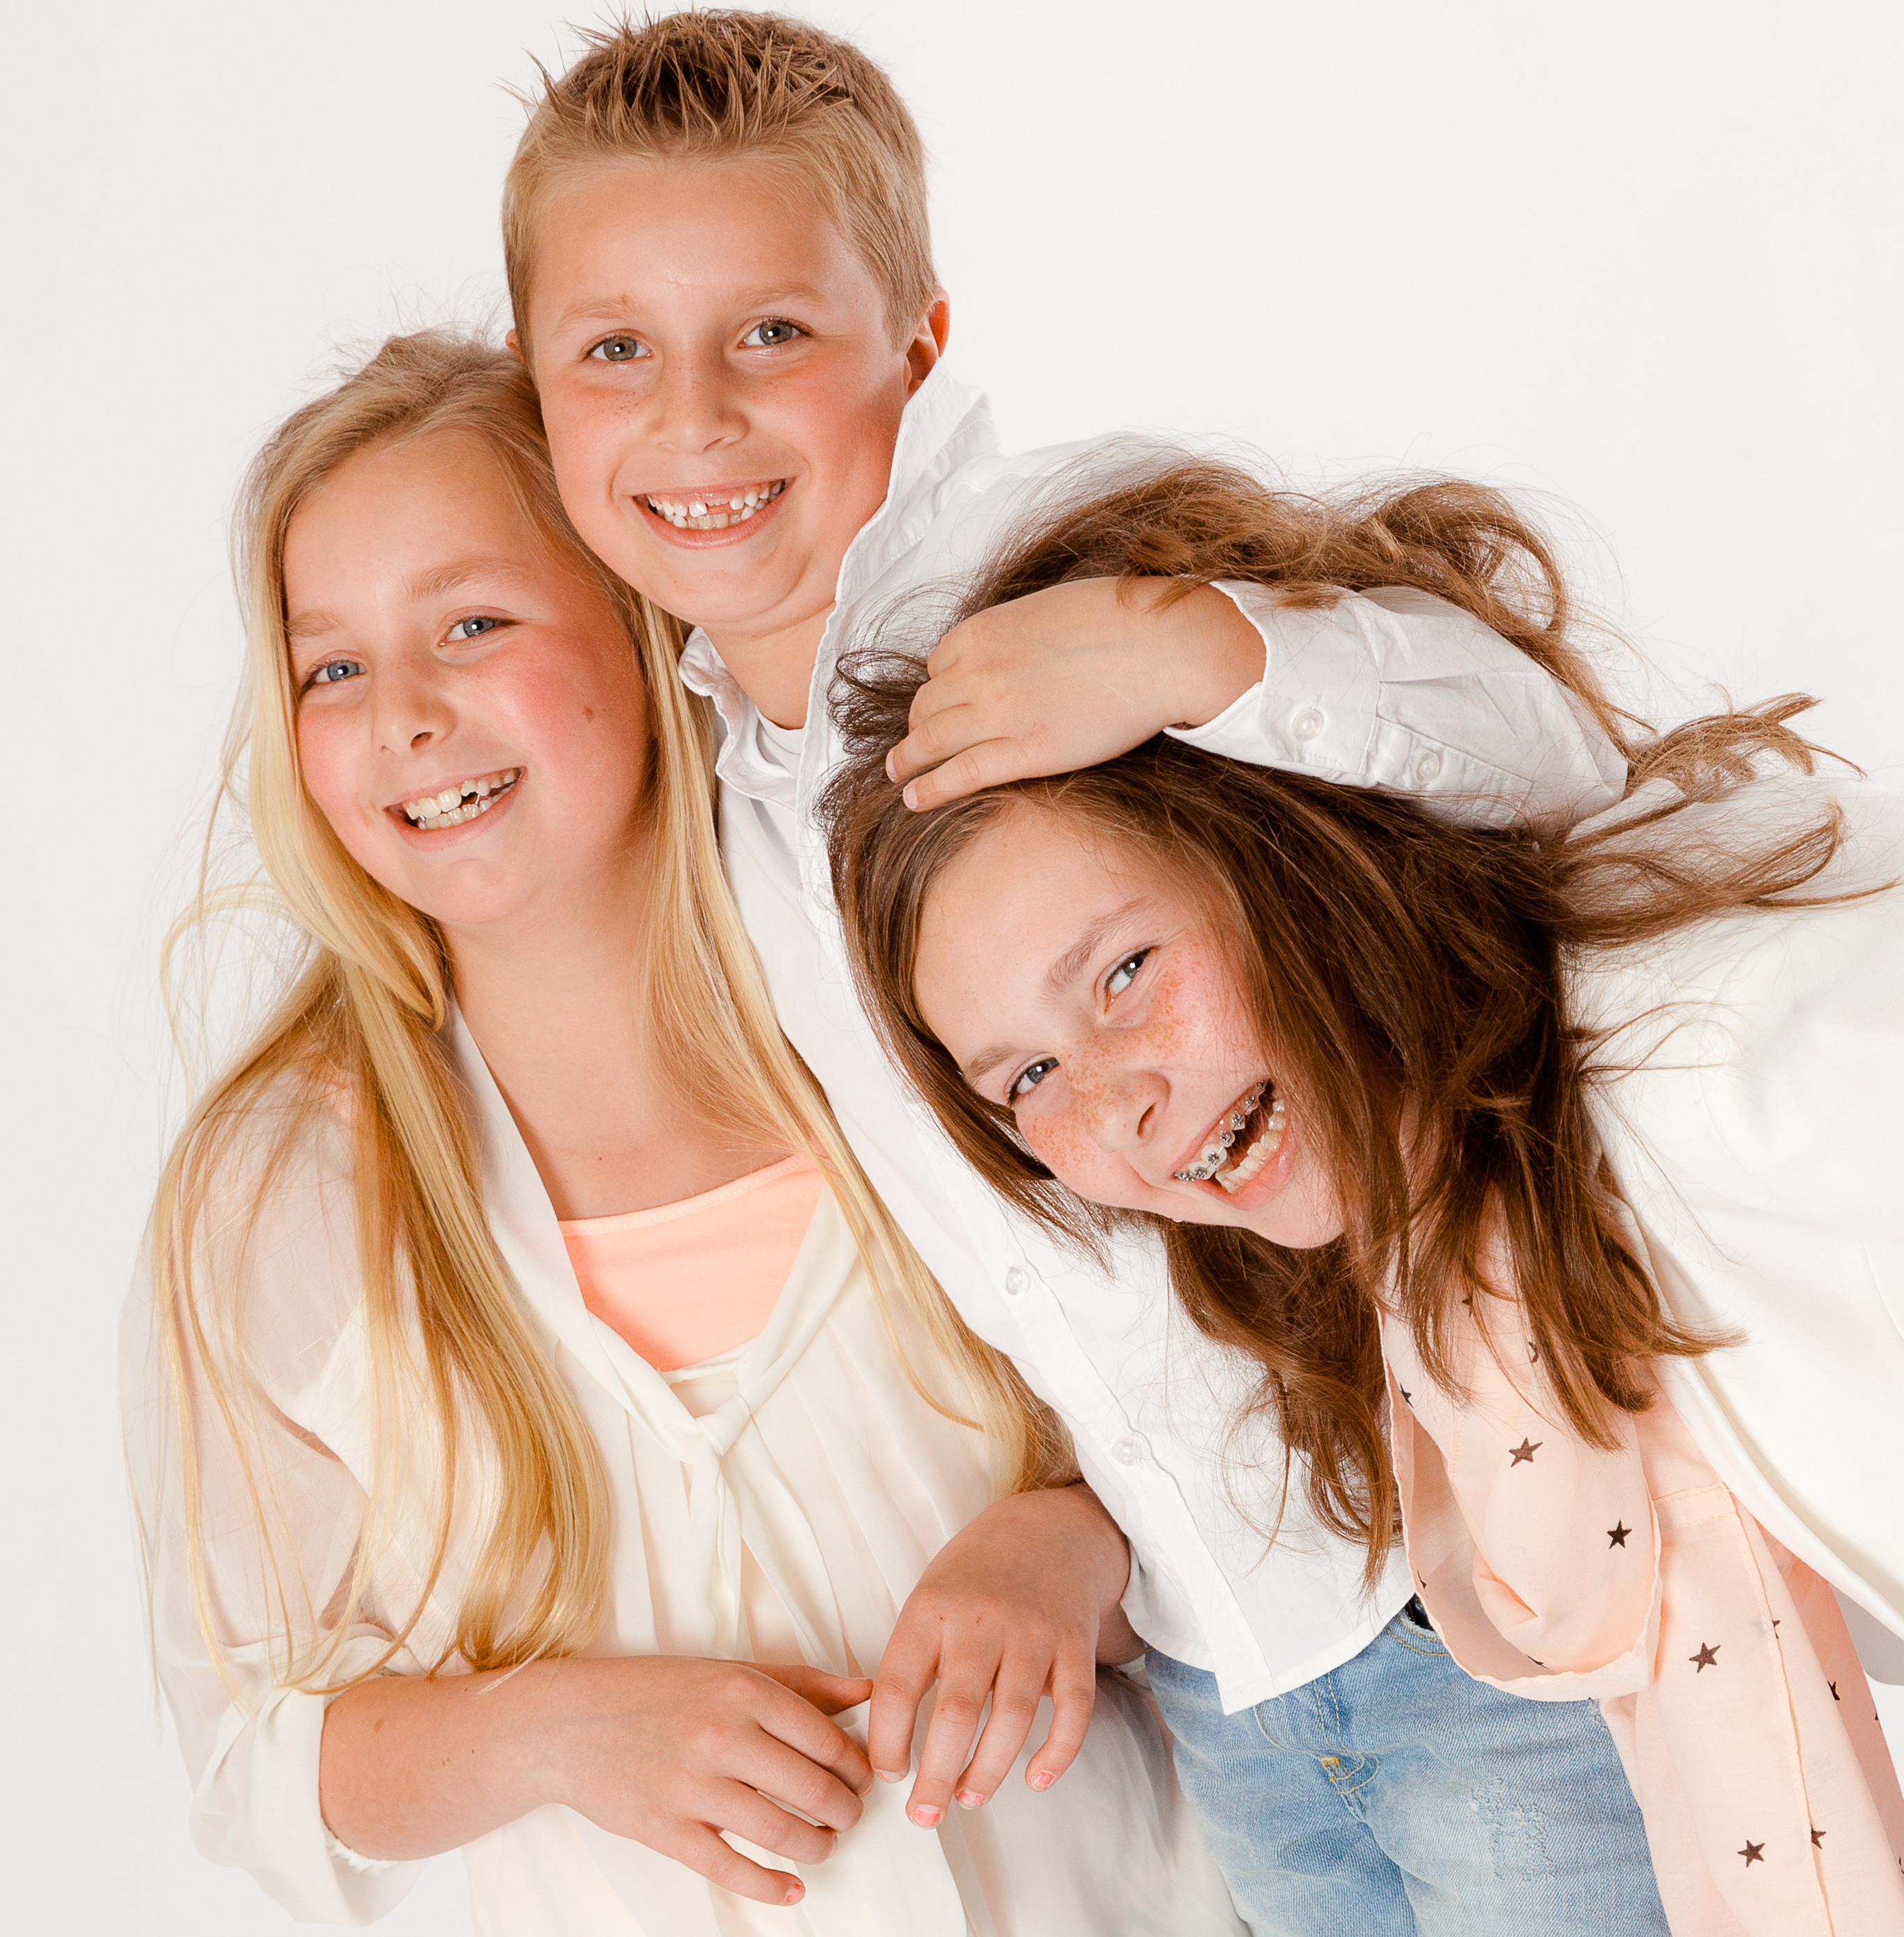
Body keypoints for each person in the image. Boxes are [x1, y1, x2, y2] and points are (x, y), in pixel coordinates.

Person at [499, 10, 1647, 1850]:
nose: (693, 415)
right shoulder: (706, 796)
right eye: (613, 350)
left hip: (1469, 1584)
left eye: (770, 333)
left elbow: (1552, 758)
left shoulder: (1060, 563)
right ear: (540, 394)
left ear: (918, 342)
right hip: (1214, 1682)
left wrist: (1207, 646)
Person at [121, 332, 1247, 1936]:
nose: (407, 718)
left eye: (472, 623)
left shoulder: (908, 1010)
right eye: (332, 667)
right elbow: (259, 1742)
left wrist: (1071, 1549)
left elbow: (1258, 1411)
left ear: (640, 626)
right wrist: (562, 1728)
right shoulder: (281, 1189)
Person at [817, 455, 1904, 1935]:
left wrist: (1205, 654)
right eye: (1024, 1080)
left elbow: (1532, 759)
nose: (1115, 1106)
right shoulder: (1453, 1270)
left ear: (1286, 849)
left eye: (1126, 972)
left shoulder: (1729, 1066)